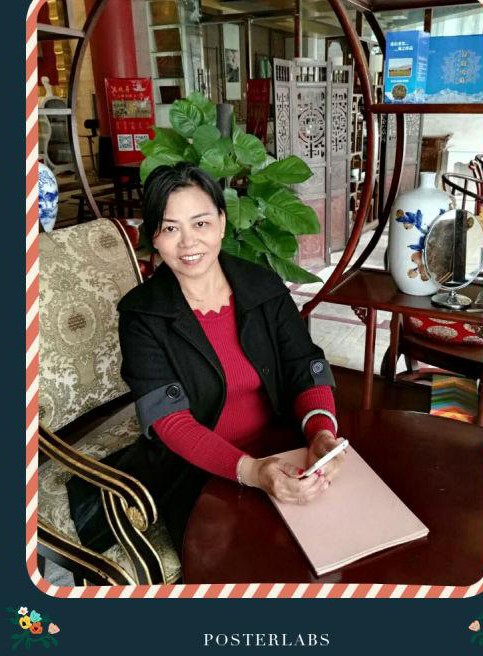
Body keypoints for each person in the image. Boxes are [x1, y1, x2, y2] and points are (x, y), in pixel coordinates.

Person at [69, 162, 345, 556]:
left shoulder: (262, 286)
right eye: (170, 228)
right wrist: (253, 472)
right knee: (245, 560)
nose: (188, 243)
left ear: (221, 222)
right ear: (154, 237)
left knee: (335, 540)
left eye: (200, 223)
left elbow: (304, 365)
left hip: (281, 446)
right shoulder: (142, 315)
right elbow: (170, 421)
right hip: (198, 470)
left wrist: (320, 434)